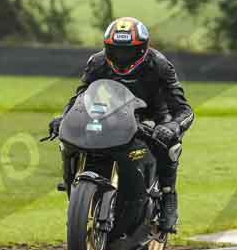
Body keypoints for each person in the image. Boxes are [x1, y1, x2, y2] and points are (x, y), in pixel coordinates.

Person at [48, 17, 194, 232]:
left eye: (128, 51)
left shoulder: (160, 65)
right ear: (107, 48)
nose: (121, 56)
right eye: (116, 50)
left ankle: (168, 196)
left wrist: (172, 126)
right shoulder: (97, 62)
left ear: (142, 49)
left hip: (152, 116)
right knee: (69, 137)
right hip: (114, 112)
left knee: (170, 145)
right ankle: (72, 182)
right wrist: (64, 118)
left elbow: (184, 109)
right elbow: (80, 97)